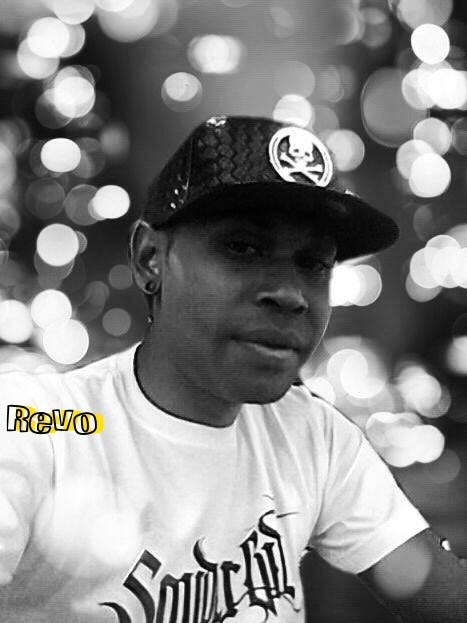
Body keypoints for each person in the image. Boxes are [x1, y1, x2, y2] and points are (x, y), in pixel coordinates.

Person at [0, 115, 465, 623]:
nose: (289, 294)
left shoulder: (312, 435)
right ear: (151, 258)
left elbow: (438, 591)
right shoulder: (41, 422)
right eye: (243, 247)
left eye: (314, 263)